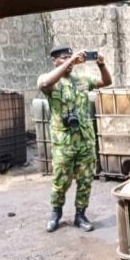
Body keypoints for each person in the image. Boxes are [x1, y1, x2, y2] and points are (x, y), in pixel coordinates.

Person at [37, 45, 112, 232]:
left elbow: (106, 82)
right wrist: (71, 61)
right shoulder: (50, 81)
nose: (68, 62)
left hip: (85, 141)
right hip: (64, 144)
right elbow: (43, 85)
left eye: (70, 57)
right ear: (54, 60)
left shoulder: (81, 80)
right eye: (63, 58)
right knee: (61, 181)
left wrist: (101, 64)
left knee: (85, 180)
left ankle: (80, 215)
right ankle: (56, 213)